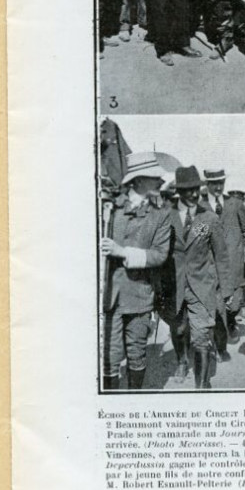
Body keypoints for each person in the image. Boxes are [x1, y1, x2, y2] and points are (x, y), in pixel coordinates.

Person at [100, 152, 171, 390]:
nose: (161, 182)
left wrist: (122, 252)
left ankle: (132, 401)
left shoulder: (161, 215)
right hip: (110, 295)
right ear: (138, 180)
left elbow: (160, 254)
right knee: (109, 355)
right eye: (154, 178)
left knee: (137, 351)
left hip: (141, 296)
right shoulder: (110, 209)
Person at [162, 166, 231, 390]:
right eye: (187, 190)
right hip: (173, 286)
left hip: (202, 286)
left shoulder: (209, 218)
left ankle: (202, 386)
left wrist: (227, 290)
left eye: (196, 189)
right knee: (179, 329)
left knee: (201, 336)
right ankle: (182, 360)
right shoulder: (165, 215)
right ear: (178, 191)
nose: (193, 194)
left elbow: (221, 256)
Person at [202, 167, 245, 342]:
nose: (218, 187)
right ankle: (217, 334)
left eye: (221, 183)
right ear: (207, 184)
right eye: (214, 184)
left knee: (235, 302)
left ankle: (230, 321)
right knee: (214, 300)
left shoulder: (235, 204)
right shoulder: (201, 206)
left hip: (233, 262)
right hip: (210, 263)